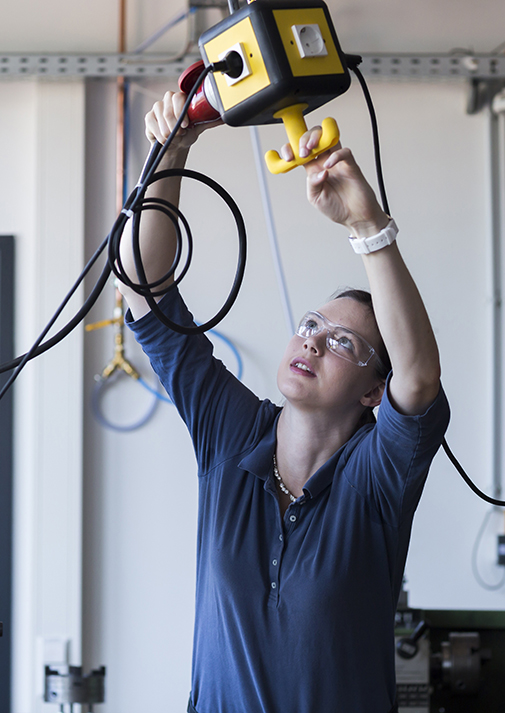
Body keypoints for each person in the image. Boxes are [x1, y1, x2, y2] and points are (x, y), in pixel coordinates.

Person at [119, 90, 450, 713]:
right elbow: (143, 289)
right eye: (310, 325)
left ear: (373, 390)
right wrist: (172, 152)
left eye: (342, 341)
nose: (312, 341)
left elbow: (420, 378)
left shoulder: (376, 479)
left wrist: (365, 224)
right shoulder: (231, 434)